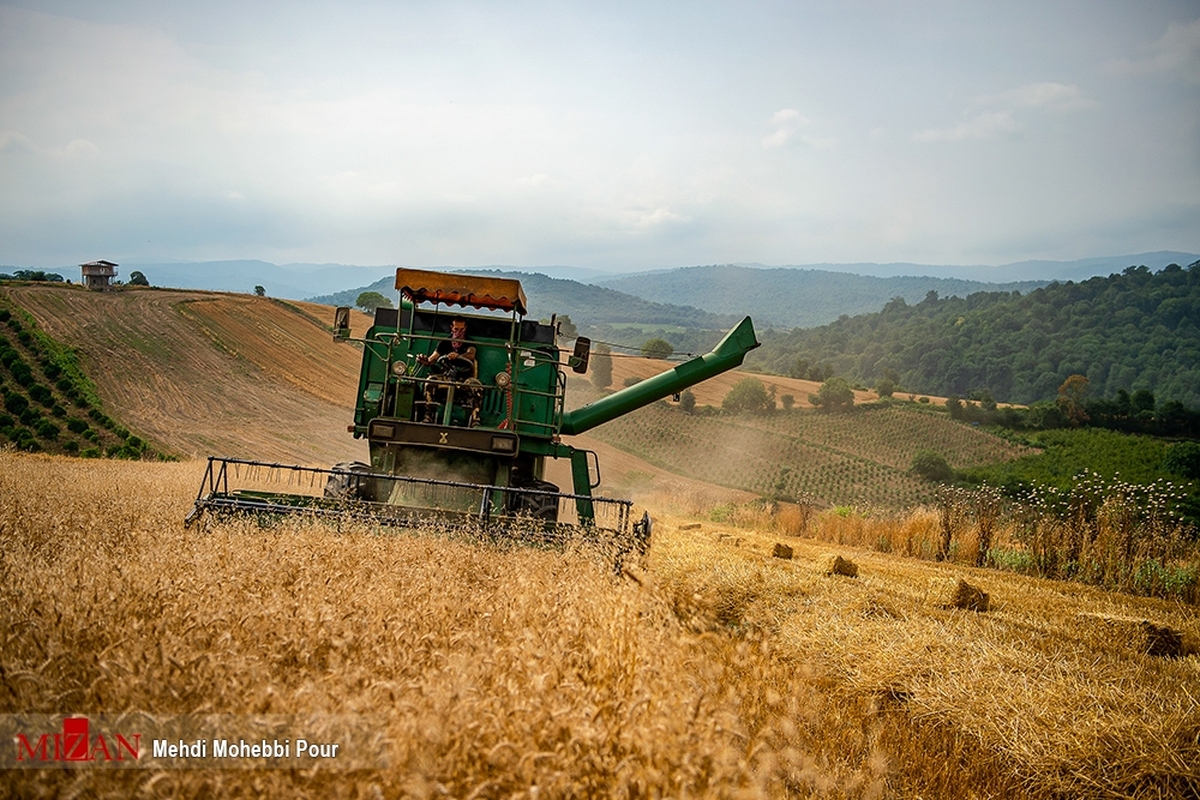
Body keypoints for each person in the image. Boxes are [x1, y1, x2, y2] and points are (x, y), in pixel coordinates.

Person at [416, 318, 478, 424]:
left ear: (466, 328)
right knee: (430, 381)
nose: (459, 332)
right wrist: (423, 360)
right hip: (445, 377)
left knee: (476, 385)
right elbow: (432, 359)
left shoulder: (469, 342)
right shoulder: (445, 343)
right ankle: (428, 415)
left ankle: (475, 418)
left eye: (462, 330)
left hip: (464, 378)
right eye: (456, 329)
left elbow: (471, 354)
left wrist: (458, 356)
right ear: (451, 328)